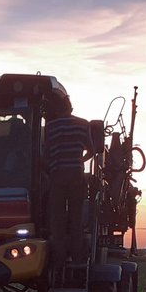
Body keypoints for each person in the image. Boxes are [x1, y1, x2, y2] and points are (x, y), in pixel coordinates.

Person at [45, 101, 94, 267]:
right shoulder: (82, 124)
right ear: (71, 108)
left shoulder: (50, 127)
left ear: (57, 110)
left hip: (57, 175)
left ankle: (59, 259)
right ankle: (77, 258)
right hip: (76, 176)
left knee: (57, 220)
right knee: (76, 218)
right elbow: (92, 150)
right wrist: (80, 159)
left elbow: (44, 153)